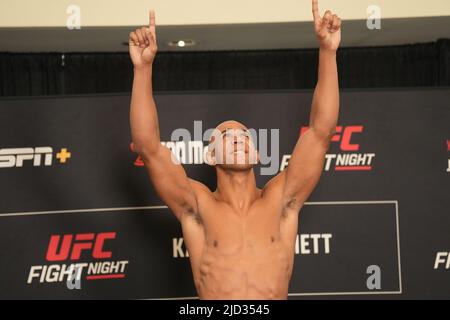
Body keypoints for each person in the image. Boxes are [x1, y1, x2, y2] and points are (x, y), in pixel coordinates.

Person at [129, 0, 341, 299]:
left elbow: (321, 132)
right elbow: (148, 148)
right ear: (210, 155)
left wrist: (328, 52)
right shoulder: (197, 206)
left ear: (257, 154)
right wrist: (143, 68)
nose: (240, 137)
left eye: (245, 135)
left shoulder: (282, 199)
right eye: (227, 135)